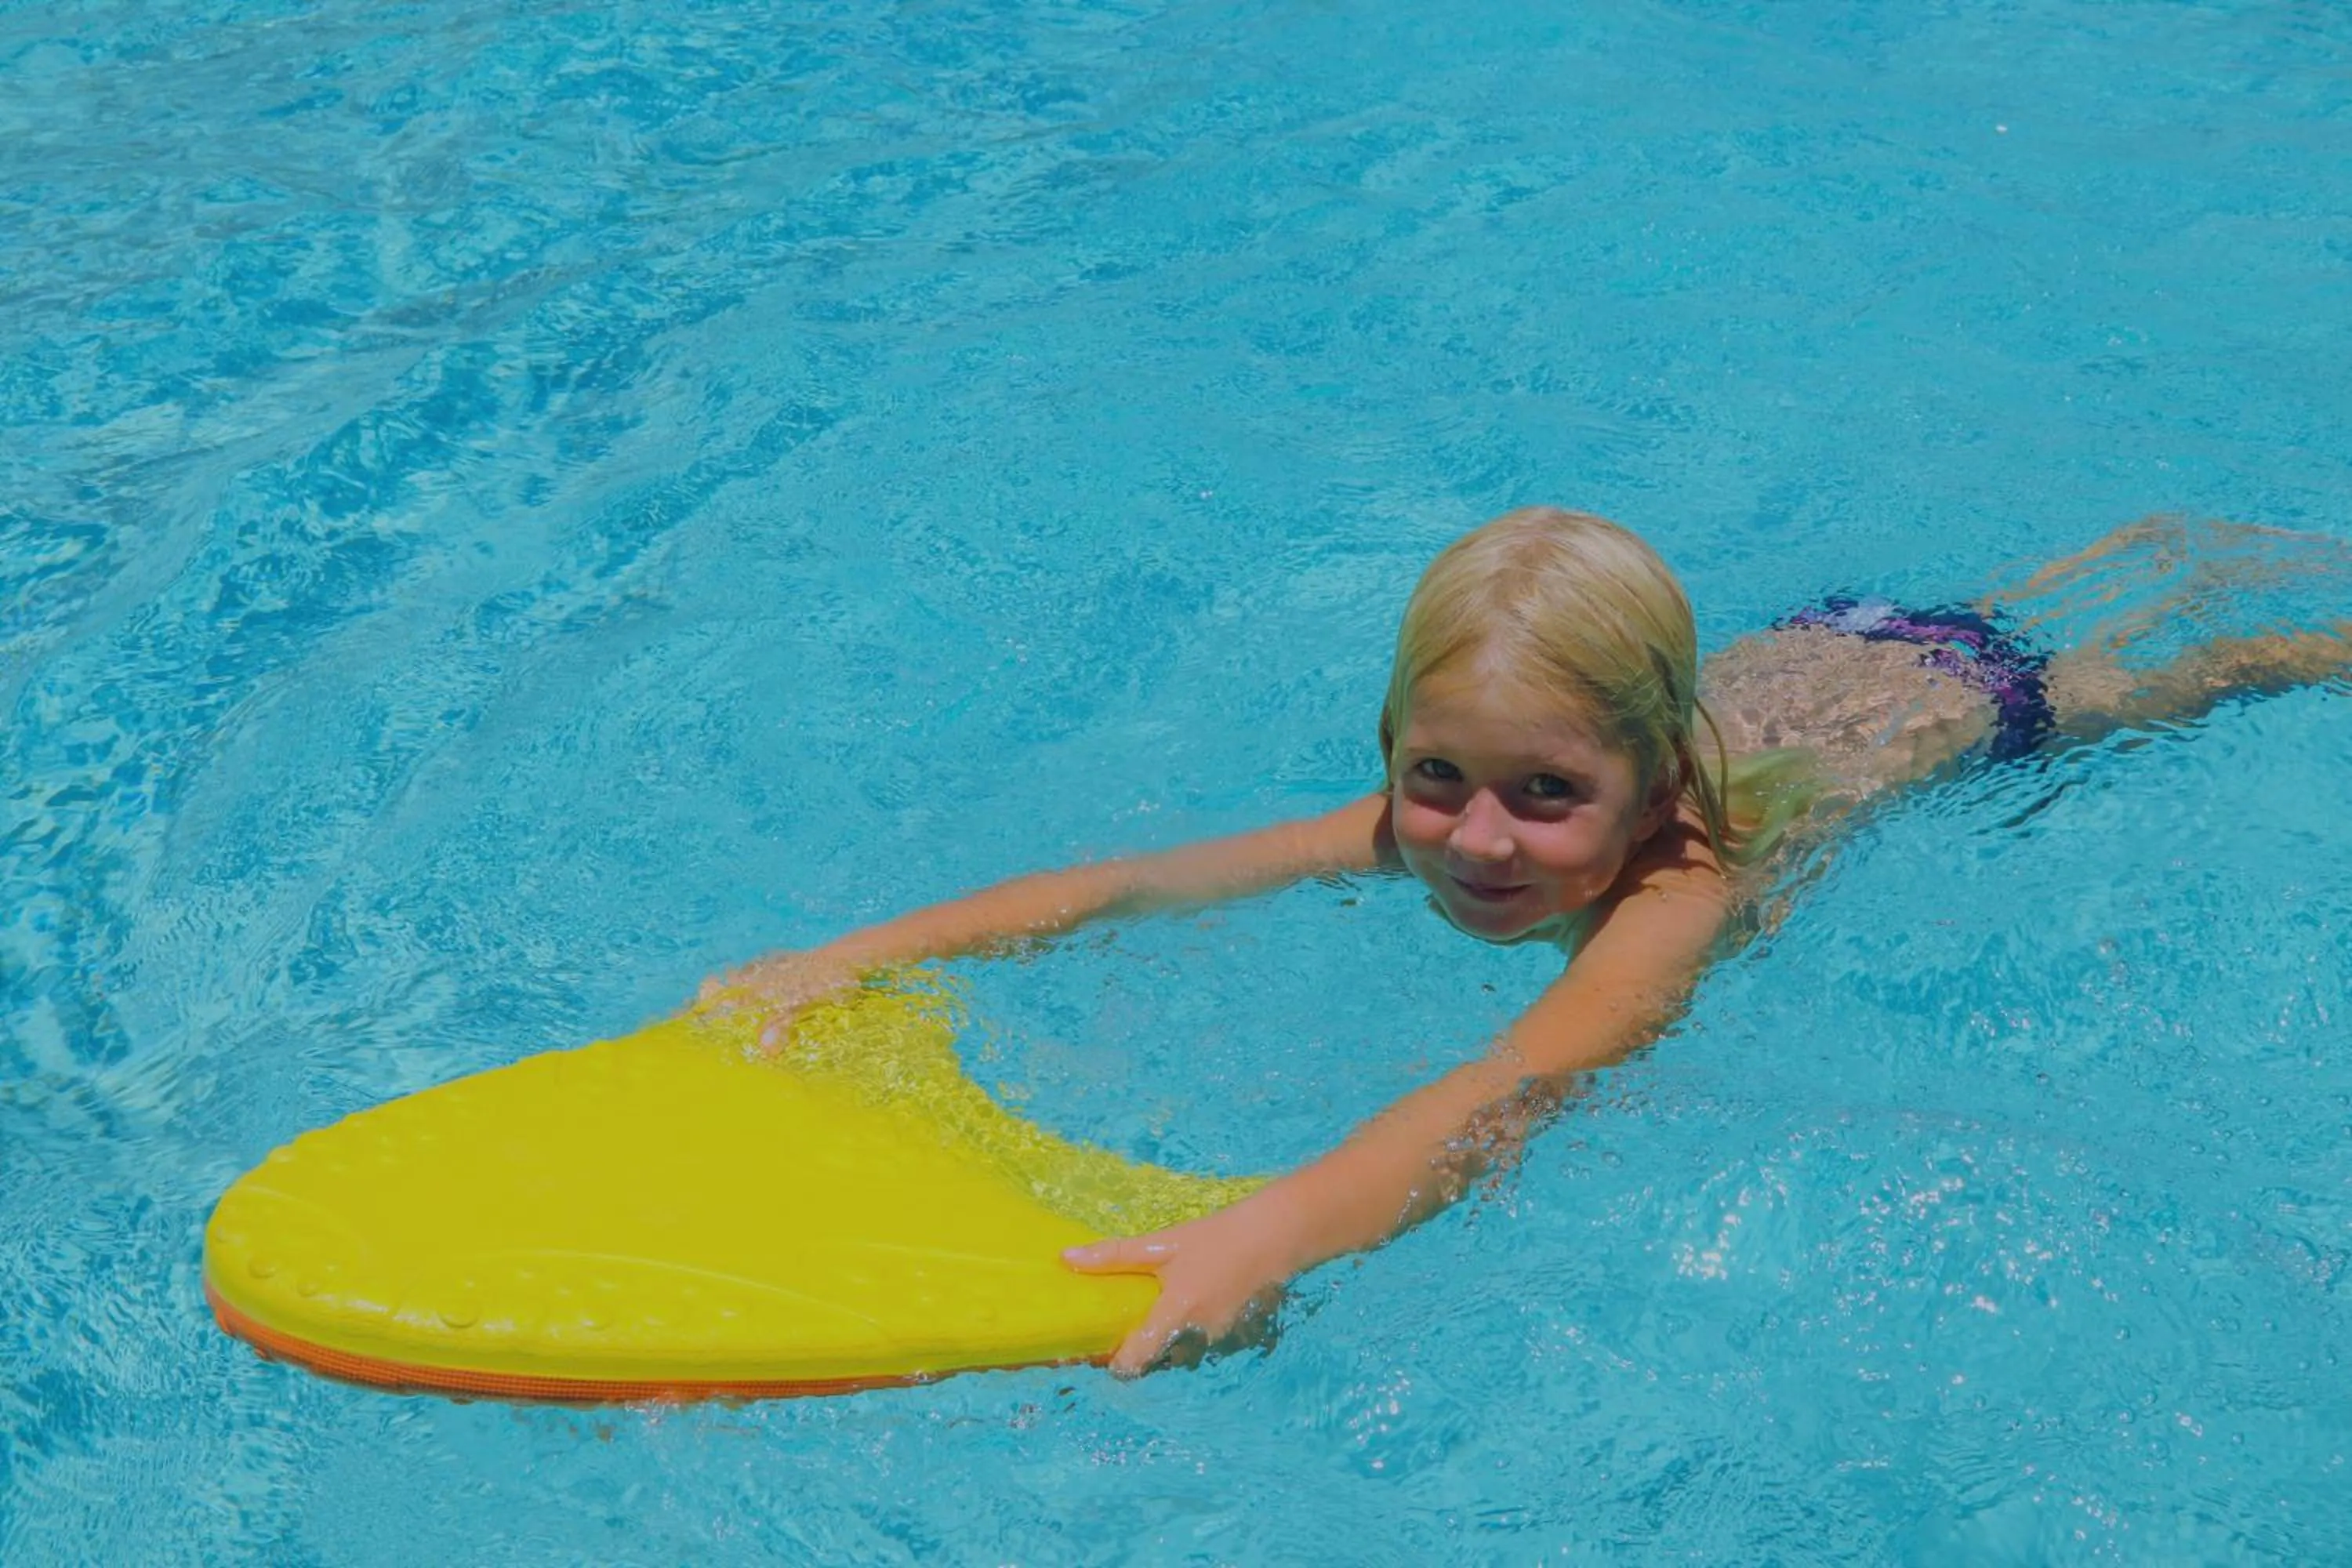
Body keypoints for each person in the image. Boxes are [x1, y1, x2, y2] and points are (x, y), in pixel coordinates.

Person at [700, 507, 2351, 1375]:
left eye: (1548, 796)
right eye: (1439, 779)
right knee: (2109, 572)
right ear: (1395, 749)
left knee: (2184, 668)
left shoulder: (1675, 897)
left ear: (1654, 788)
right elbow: (1139, 883)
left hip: (1977, 706)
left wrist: (1268, 1233)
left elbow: (1513, 1086)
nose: (1479, 841)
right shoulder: (1436, 809)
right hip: (1828, 643)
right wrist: (854, 955)